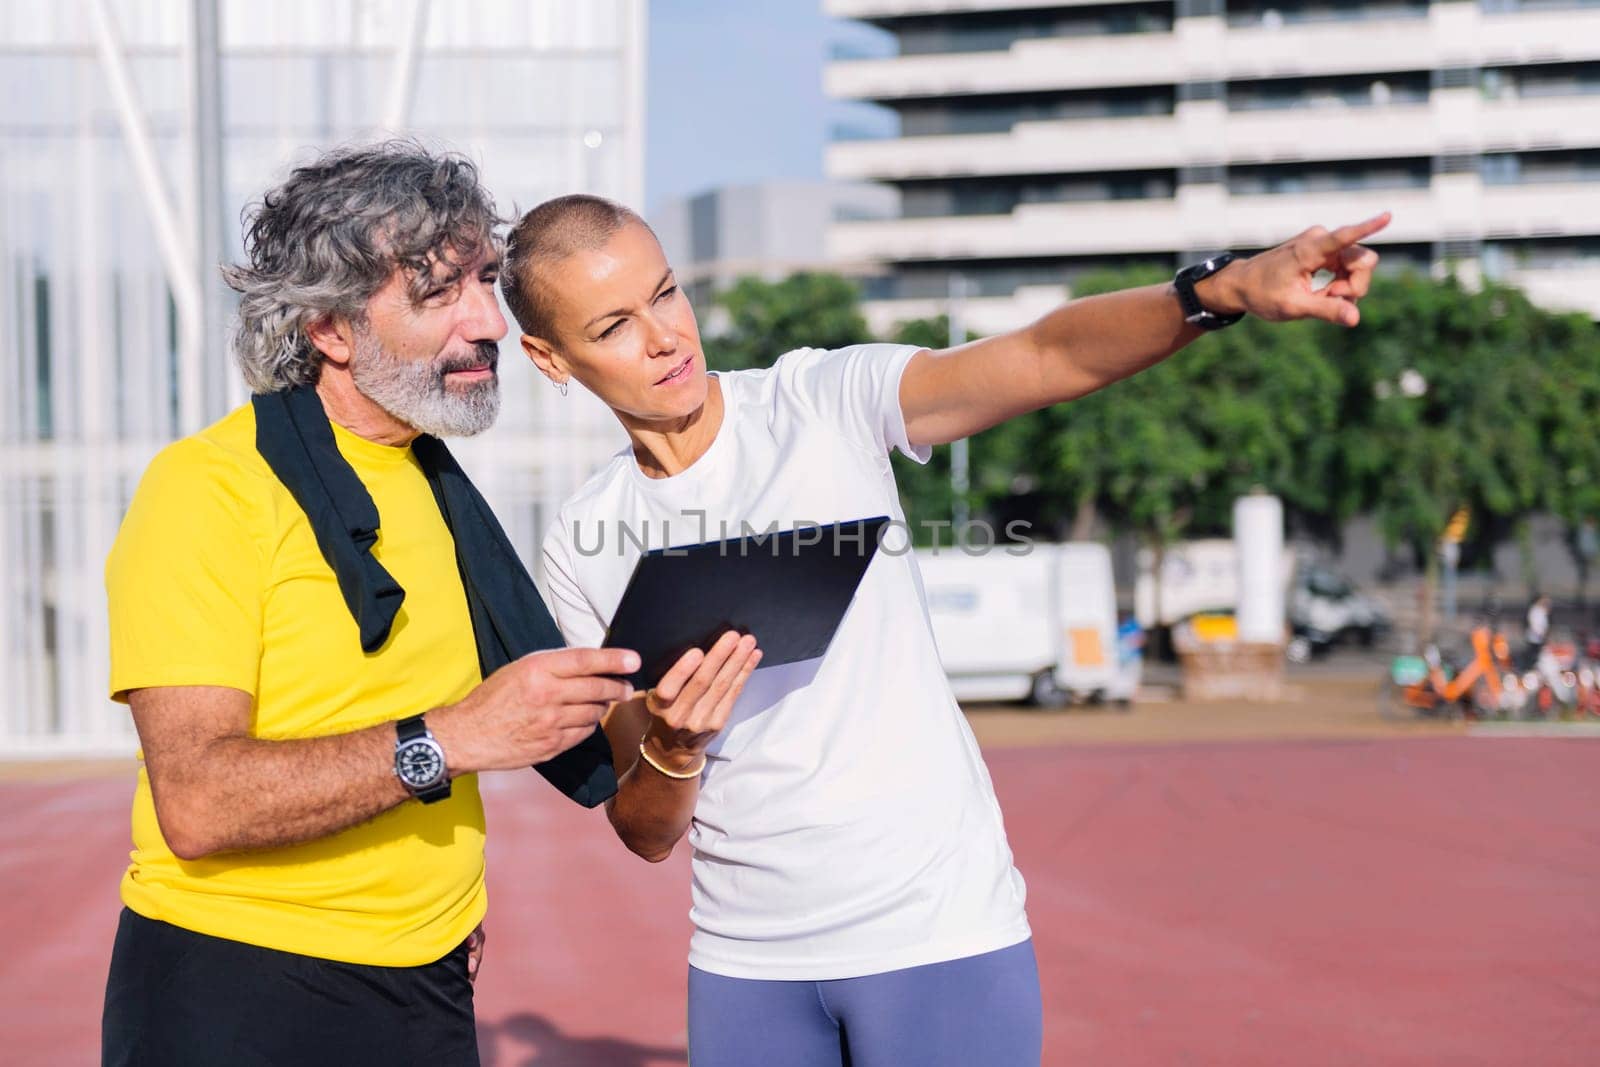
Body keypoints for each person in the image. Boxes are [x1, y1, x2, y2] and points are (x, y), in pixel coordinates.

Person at [499, 193, 1387, 1066]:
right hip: (745, 964)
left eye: (665, 293)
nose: (665, 337)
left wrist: (1218, 291)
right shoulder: (582, 543)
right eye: (614, 325)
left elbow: (1042, 355)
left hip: (938, 933)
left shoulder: (821, 401)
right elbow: (645, 828)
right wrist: (677, 743)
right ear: (549, 357)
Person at [101, 142, 759, 1067]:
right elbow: (199, 801)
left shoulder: (436, 486)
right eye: (439, 293)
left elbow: (580, 763)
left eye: (485, 281)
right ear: (331, 329)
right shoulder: (206, 489)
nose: (487, 320)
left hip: (429, 988)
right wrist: (451, 737)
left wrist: (670, 724)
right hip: (237, 987)